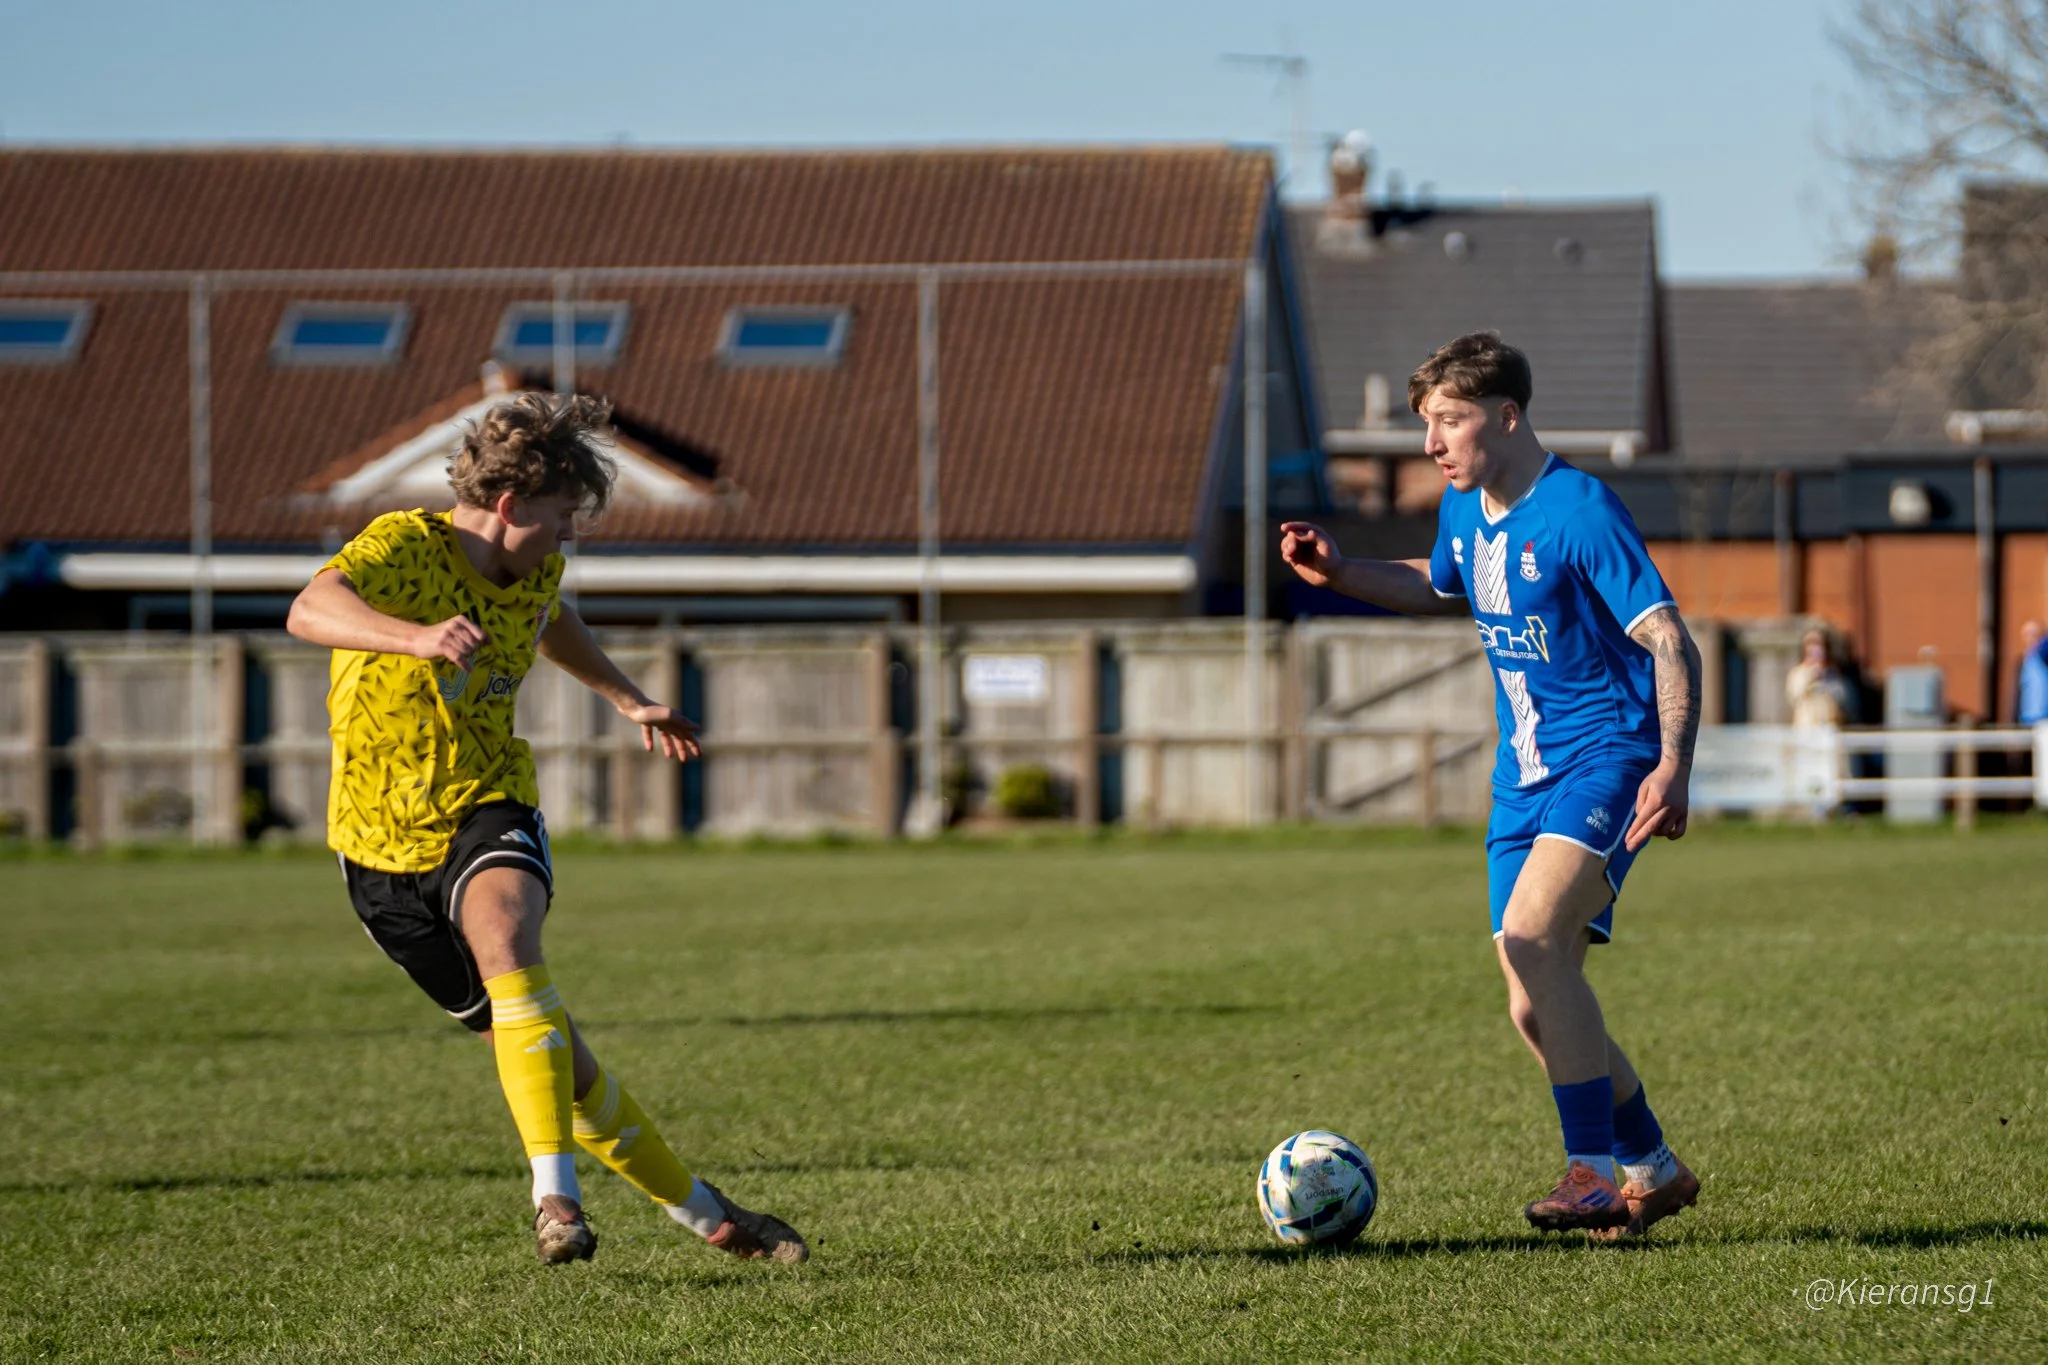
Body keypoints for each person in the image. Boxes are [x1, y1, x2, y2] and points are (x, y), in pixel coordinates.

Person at [286, 392, 807, 1267]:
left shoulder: (532, 573)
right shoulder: (402, 546)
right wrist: (411, 638)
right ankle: (710, 1214)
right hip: (374, 847)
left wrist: (626, 695)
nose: (567, 538)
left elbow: (550, 621)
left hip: (486, 799)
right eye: (562, 517)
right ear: (509, 505)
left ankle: (553, 1201)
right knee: (557, 1064)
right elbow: (308, 609)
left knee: (504, 931)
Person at [1280, 333, 1702, 1239]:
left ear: (1506, 417)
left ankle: (1591, 1172)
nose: (1432, 443)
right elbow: (1441, 588)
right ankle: (1652, 1168)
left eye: (1449, 421)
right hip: (1522, 782)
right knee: (1529, 995)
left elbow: (1670, 636)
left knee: (1534, 939)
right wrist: (1342, 570)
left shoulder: (1581, 510)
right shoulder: (1464, 511)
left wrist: (1673, 763)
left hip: (1608, 758)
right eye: (1426, 424)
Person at [1786, 629, 1849, 728]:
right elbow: (1795, 696)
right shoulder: (1798, 672)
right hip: (1807, 727)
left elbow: (1840, 698)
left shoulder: (1832, 673)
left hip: (1828, 727)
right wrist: (1811, 675)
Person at [2018, 620, 2048, 726]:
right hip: (2028, 716)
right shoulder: (2026, 659)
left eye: (2034, 634)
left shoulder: (2043, 653)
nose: (2030, 638)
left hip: (2043, 716)